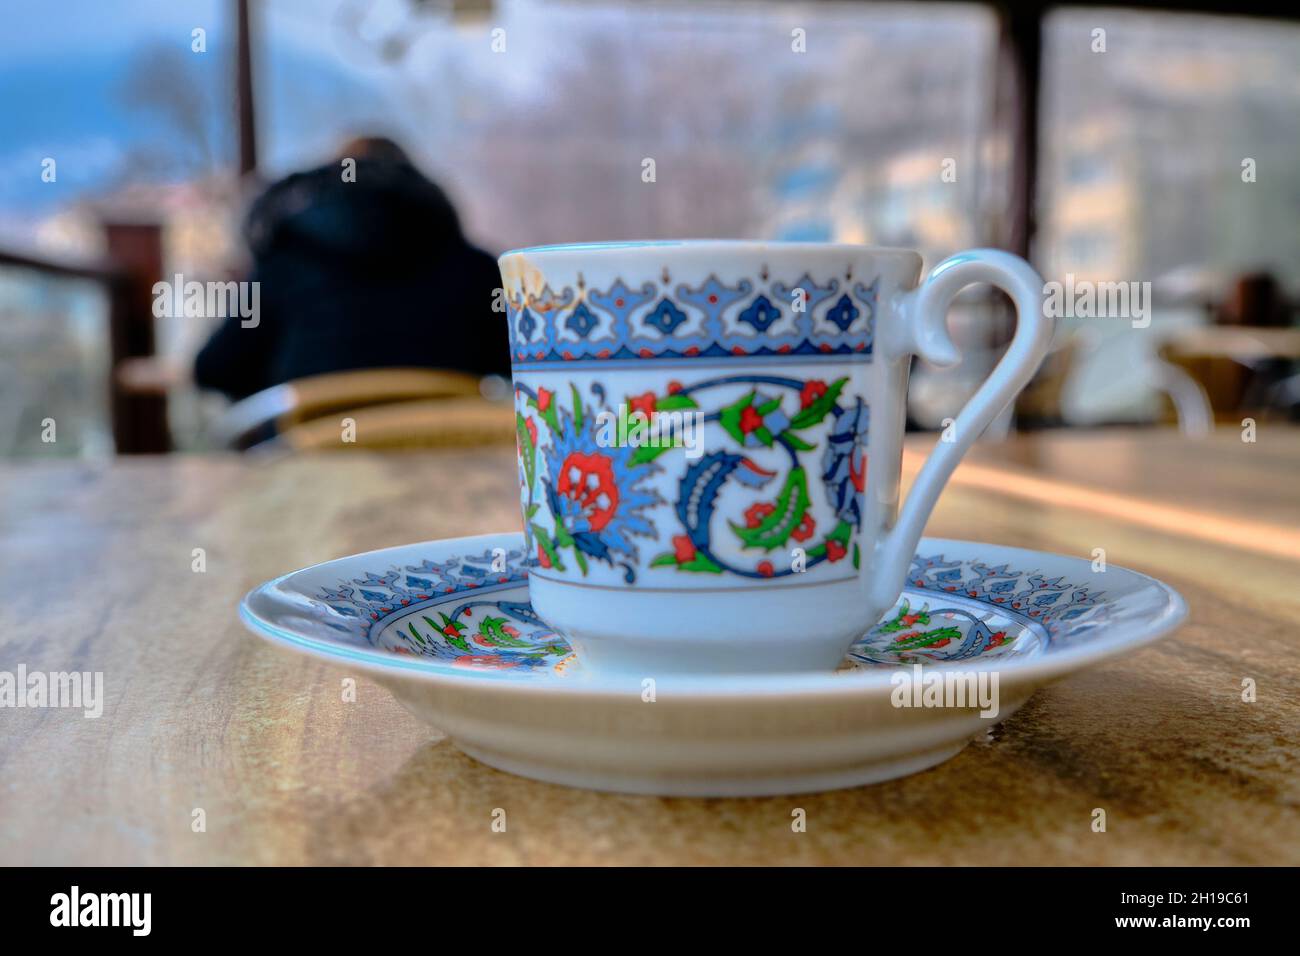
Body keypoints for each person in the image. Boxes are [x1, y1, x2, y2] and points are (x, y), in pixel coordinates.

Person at [195, 137, 508, 401]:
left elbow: (214, 370)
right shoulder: (475, 270)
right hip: (452, 460)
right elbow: (516, 366)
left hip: (307, 465)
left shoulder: (281, 267)